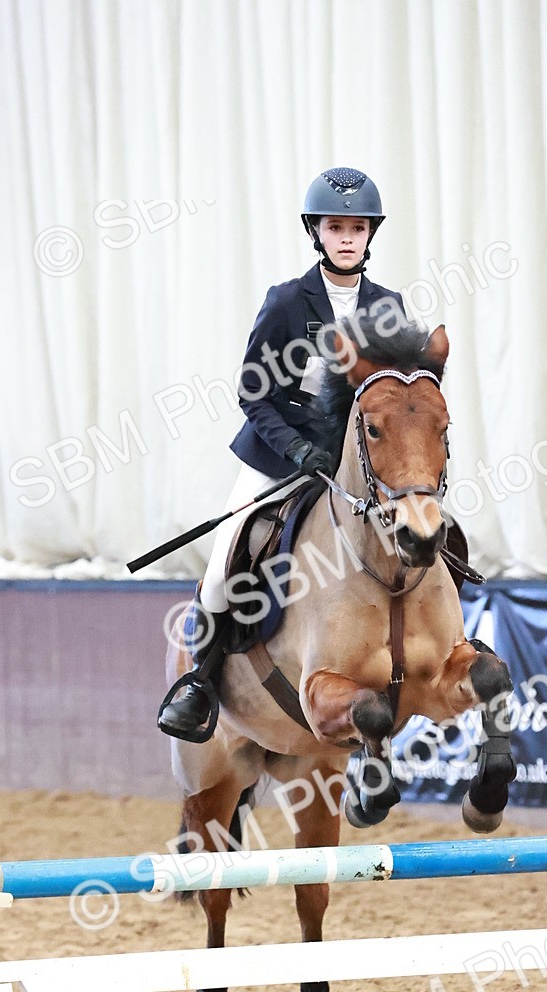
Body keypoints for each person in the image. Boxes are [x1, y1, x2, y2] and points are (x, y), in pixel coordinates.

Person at [159, 167, 405, 742]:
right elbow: (252, 392)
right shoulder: (288, 301)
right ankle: (200, 682)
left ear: (370, 235)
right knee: (225, 563)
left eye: (357, 228)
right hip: (280, 457)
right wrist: (294, 446)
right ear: (316, 232)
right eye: (335, 226)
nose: (347, 237)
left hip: (355, 468)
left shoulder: (386, 306)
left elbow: (395, 393)